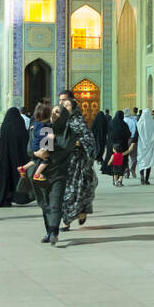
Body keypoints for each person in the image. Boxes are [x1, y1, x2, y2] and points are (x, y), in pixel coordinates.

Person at [35, 104, 74, 247]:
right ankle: (48, 231)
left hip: (59, 173)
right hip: (43, 174)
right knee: (45, 204)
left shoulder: (67, 131)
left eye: (58, 112)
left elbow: (66, 147)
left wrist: (52, 142)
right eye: (53, 111)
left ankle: (53, 232)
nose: (54, 114)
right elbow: (32, 148)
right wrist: (36, 152)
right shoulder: (44, 128)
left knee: (55, 203)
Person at [59, 92, 98, 229]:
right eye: (61, 101)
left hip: (77, 163)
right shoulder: (59, 119)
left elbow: (89, 140)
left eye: (66, 102)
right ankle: (79, 212)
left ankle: (67, 220)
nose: (63, 104)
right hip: (63, 162)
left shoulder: (78, 121)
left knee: (75, 191)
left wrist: (77, 143)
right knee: (63, 192)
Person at [0, 105, 33, 207]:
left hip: (4, 157)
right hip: (18, 158)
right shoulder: (19, 124)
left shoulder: (4, 126)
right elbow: (25, 140)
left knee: (4, 176)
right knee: (17, 176)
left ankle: (3, 198)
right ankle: (20, 197)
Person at [107, 110, 132, 187]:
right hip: (122, 147)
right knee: (122, 164)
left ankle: (114, 181)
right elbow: (128, 134)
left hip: (113, 146)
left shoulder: (111, 123)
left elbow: (108, 133)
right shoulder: (124, 124)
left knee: (114, 164)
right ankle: (120, 181)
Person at [136, 106, 154, 183]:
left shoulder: (139, 123)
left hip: (141, 145)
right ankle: (147, 179)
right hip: (150, 145)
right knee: (149, 162)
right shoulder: (153, 122)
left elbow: (136, 134)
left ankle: (142, 176)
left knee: (141, 160)